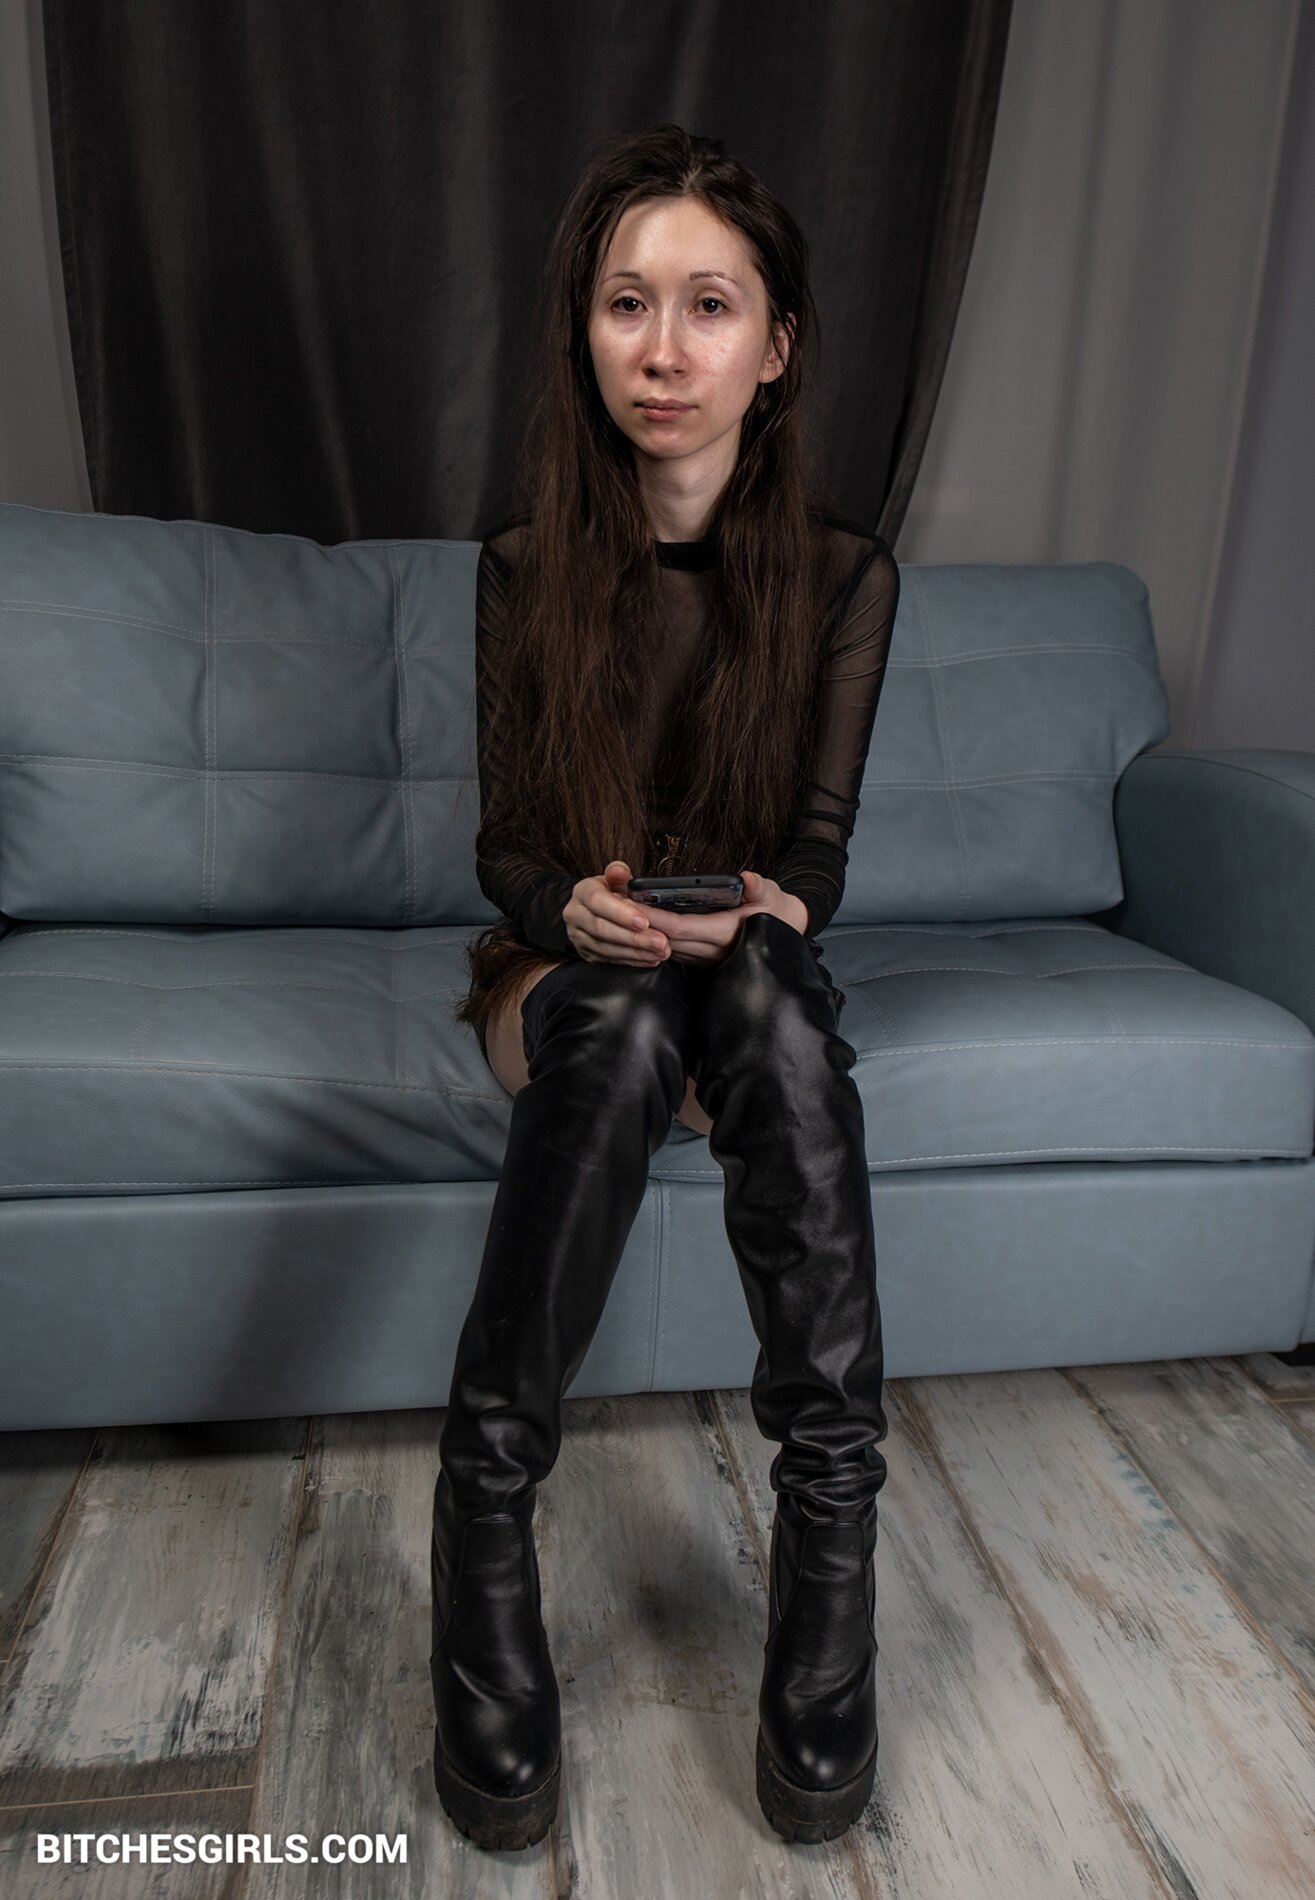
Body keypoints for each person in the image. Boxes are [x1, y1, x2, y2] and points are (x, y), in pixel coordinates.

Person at [432, 123, 900, 1853]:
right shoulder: (521, 566)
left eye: (711, 305)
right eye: (627, 303)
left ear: (775, 347)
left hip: (740, 975)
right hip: (573, 970)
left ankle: (830, 1545)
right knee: (623, 1012)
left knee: (770, 982)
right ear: (584, 332)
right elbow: (504, 846)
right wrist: (568, 903)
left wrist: (776, 905)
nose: (664, 347)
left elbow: (819, 853)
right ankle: (483, 1522)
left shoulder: (845, 578)